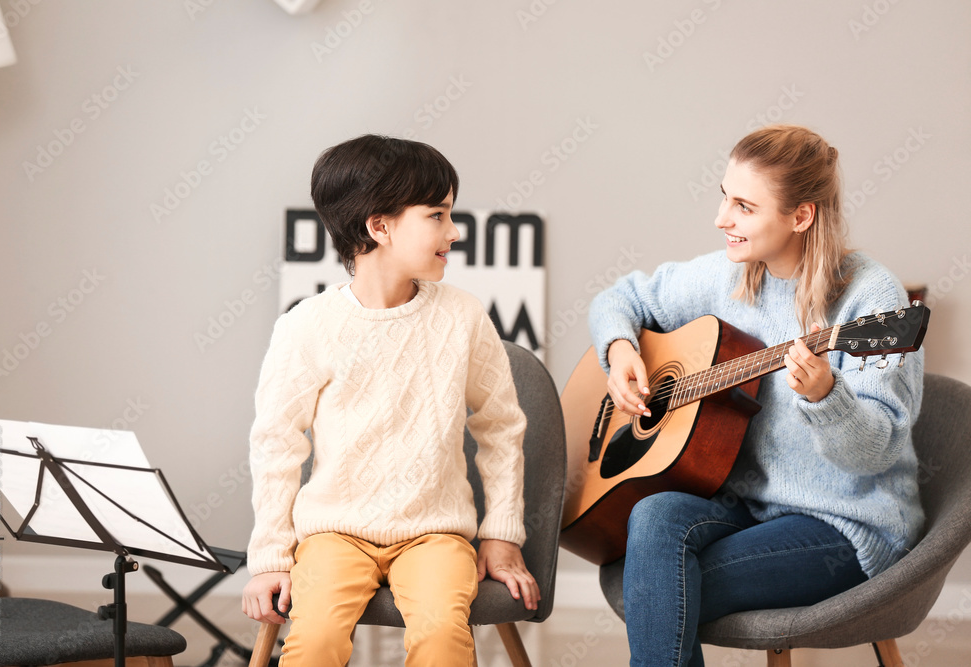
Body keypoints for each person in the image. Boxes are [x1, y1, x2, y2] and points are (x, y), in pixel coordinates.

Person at [588, 124, 924, 667]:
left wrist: (827, 398)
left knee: (655, 591)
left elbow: (877, 454)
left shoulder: (871, 298)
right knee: (652, 518)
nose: (722, 219)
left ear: (801, 216)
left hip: (846, 524)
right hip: (749, 508)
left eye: (743, 206)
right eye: (725, 197)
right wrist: (621, 348)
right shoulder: (732, 274)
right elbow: (621, 297)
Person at [240, 135, 539, 667]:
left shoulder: (464, 317)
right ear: (379, 227)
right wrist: (268, 557)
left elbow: (501, 427)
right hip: (333, 533)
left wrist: (500, 534)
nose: (455, 230)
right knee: (314, 643)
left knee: (444, 640)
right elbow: (276, 446)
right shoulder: (307, 327)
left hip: (436, 533)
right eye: (438, 215)